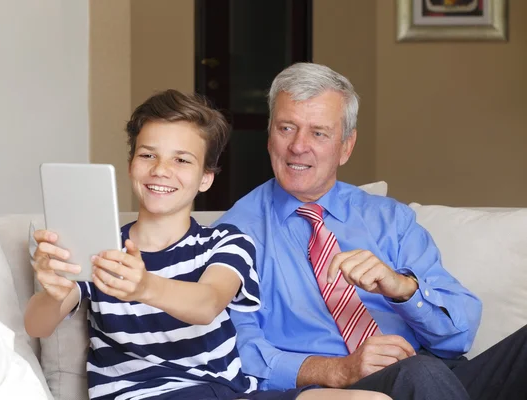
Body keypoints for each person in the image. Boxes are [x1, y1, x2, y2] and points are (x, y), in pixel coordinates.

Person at [23, 89, 391, 400]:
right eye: (147, 155)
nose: (161, 170)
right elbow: (38, 325)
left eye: (182, 160)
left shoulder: (226, 242)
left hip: (227, 391)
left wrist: (144, 286)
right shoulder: (101, 246)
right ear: (132, 163)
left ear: (205, 179)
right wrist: (53, 291)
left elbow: (206, 304)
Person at [217, 63, 527, 400]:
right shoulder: (235, 234)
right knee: (417, 371)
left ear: (347, 146)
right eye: (286, 128)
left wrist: (403, 289)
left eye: (318, 133)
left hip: (438, 378)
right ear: (269, 136)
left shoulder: (390, 219)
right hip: (340, 388)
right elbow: (232, 352)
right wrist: (337, 370)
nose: (298, 146)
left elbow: (458, 336)